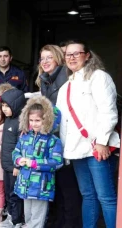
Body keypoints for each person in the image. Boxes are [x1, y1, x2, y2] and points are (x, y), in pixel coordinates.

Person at [56, 40, 119, 228]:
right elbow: (62, 122)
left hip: (96, 147)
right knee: (88, 195)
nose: (72, 58)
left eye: (77, 53)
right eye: (68, 54)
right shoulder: (65, 87)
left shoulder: (99, 77)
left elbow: (108, 111)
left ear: (87, 55)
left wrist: (102, 141)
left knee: (105, 196)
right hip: (76, 150)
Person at [36, 44, 82, 228]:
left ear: (58, 58)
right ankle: (58, 221)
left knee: (68, 186)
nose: (45, 61)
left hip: (67, 138)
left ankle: (69, 224)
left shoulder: (66, 76)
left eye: (49, 57)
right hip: (53, 139)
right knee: (56, 184)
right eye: (42, 58)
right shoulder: (44, 80)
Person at [12, 96, 64, 228]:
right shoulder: (25, 137)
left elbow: (57, 162)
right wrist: (18, 160)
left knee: (37, 219)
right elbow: (16, 151)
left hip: (42, 187)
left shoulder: (52, 140)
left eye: (38, 120)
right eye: (31, 120)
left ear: (47, 120)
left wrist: (35, 163)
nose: (34, 123)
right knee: (28, 216)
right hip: (25, 184)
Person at [0, 88, 26, 228]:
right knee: (9, 193)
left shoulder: (21, 123)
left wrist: (17, 165)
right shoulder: (8, 120)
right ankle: (11, 217)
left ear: (16, 105)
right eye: (3, 106)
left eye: (7, 106)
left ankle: (17, 220)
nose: (4, 109)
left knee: (15, 194)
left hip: (15, 167)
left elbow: (22, 147)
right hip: (7, 165)